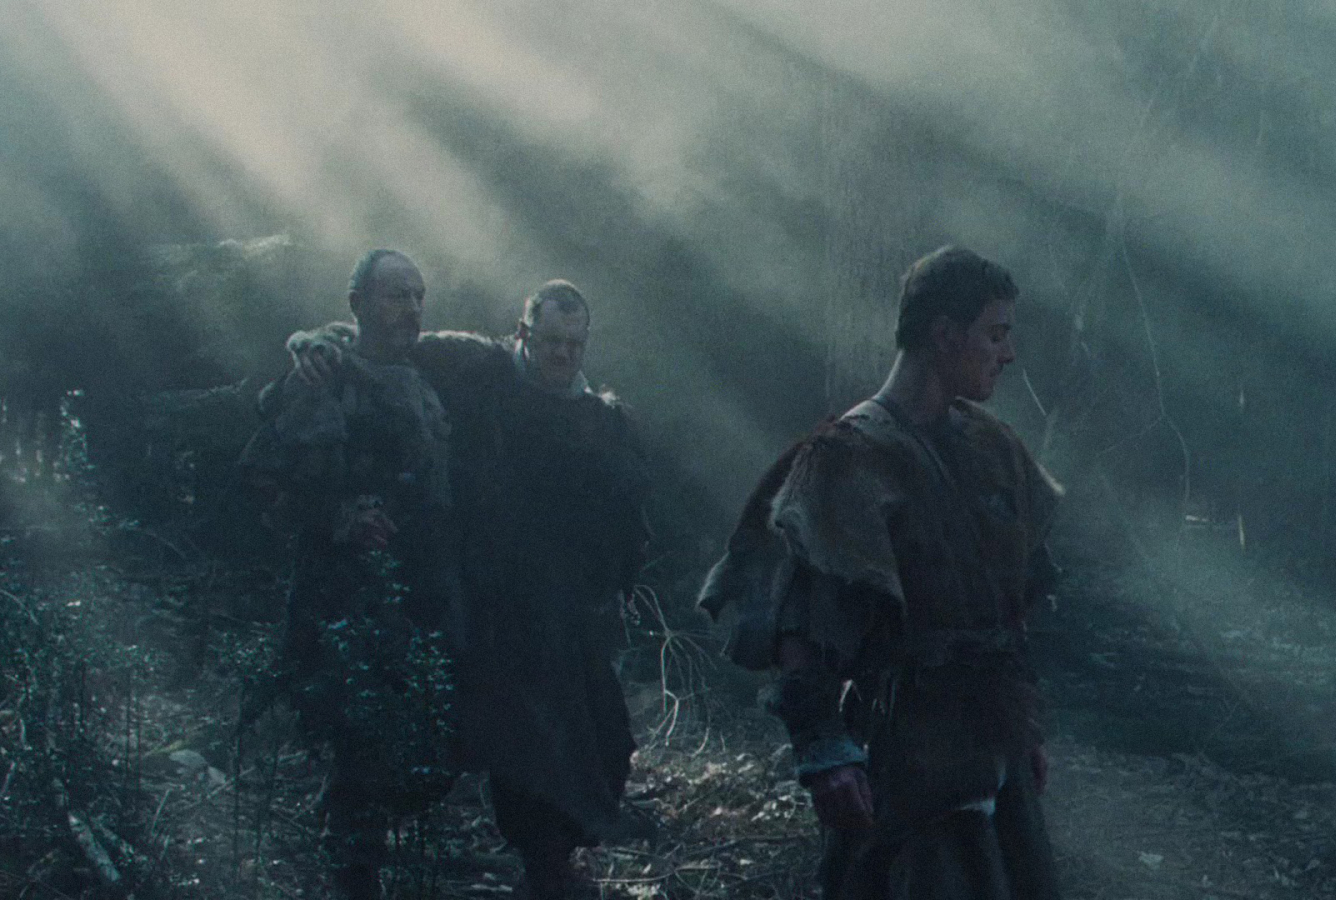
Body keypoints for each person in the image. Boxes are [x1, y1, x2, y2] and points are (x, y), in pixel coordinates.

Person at [700, 246, 1064, 899]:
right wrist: (825, 751)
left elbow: (1010, 606)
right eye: (995, 334)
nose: (1007, 354)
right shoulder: (849, 459)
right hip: (906, 756)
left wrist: (1023, 726)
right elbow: (807, 624)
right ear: (944, 335)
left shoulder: (993, 446)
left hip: (993, 747)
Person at [288, 279, 649, 897]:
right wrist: (314, 341)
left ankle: (549, 868)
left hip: (558, 611)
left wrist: (610, 587)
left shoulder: (600, 420)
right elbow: (382, 343)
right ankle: (357, 864)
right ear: (522, 334)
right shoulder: (476, 365)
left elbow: (623, 522)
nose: (563, 355)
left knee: (594, 738)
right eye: (551, 342)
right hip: (465, 593)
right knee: (414, 734)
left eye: (575, 344)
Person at [241, 249, 461, 900]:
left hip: (417, 596)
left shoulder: (419, 378)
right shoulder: (322, 380)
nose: (411, 309)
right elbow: (263, 482)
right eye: (396, 295)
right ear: (358, 303)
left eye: (418, 295)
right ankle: (350, 871)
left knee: (416, 752)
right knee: (360, 748)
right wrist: (336, 518)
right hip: (344, 602)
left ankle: (356, 842)